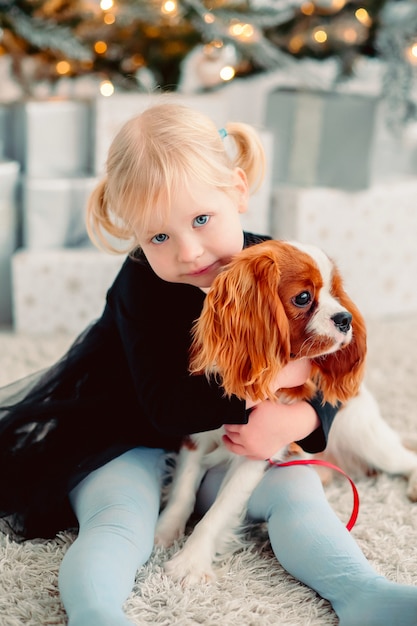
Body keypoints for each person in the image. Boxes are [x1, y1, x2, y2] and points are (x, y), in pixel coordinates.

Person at [0, 101, 416, 626]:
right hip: (125, 436)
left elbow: (326, 375)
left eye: (201, 219)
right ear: (136, 237)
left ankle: (364, 592)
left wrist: (299, 419)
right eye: (159, 237)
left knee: (299, 496)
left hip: (231, 446)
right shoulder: (140, 286)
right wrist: (277, 377)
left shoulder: (276, 265)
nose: (190, 251)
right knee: (118, 521)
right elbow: (166, 408)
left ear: (237, 191)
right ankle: (95, 612)